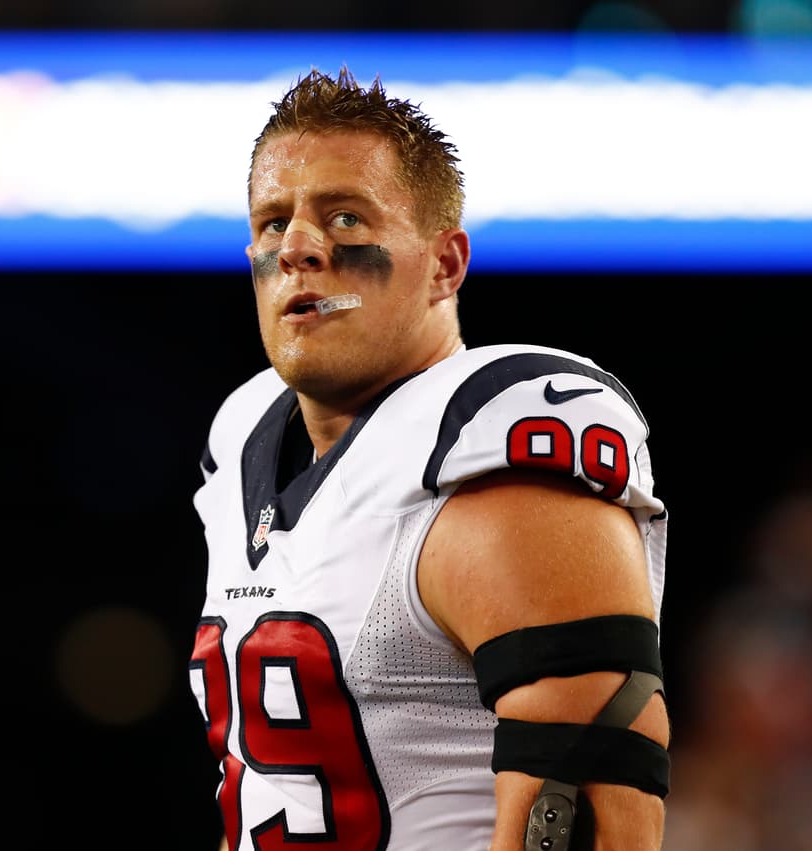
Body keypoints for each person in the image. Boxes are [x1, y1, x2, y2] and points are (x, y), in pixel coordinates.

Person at [188, 65, 671, 851]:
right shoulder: (245, 438)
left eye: (345, 218)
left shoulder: (494, 447)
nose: (299, 247)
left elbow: (594, 797)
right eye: (273, 222)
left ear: (445, 265)